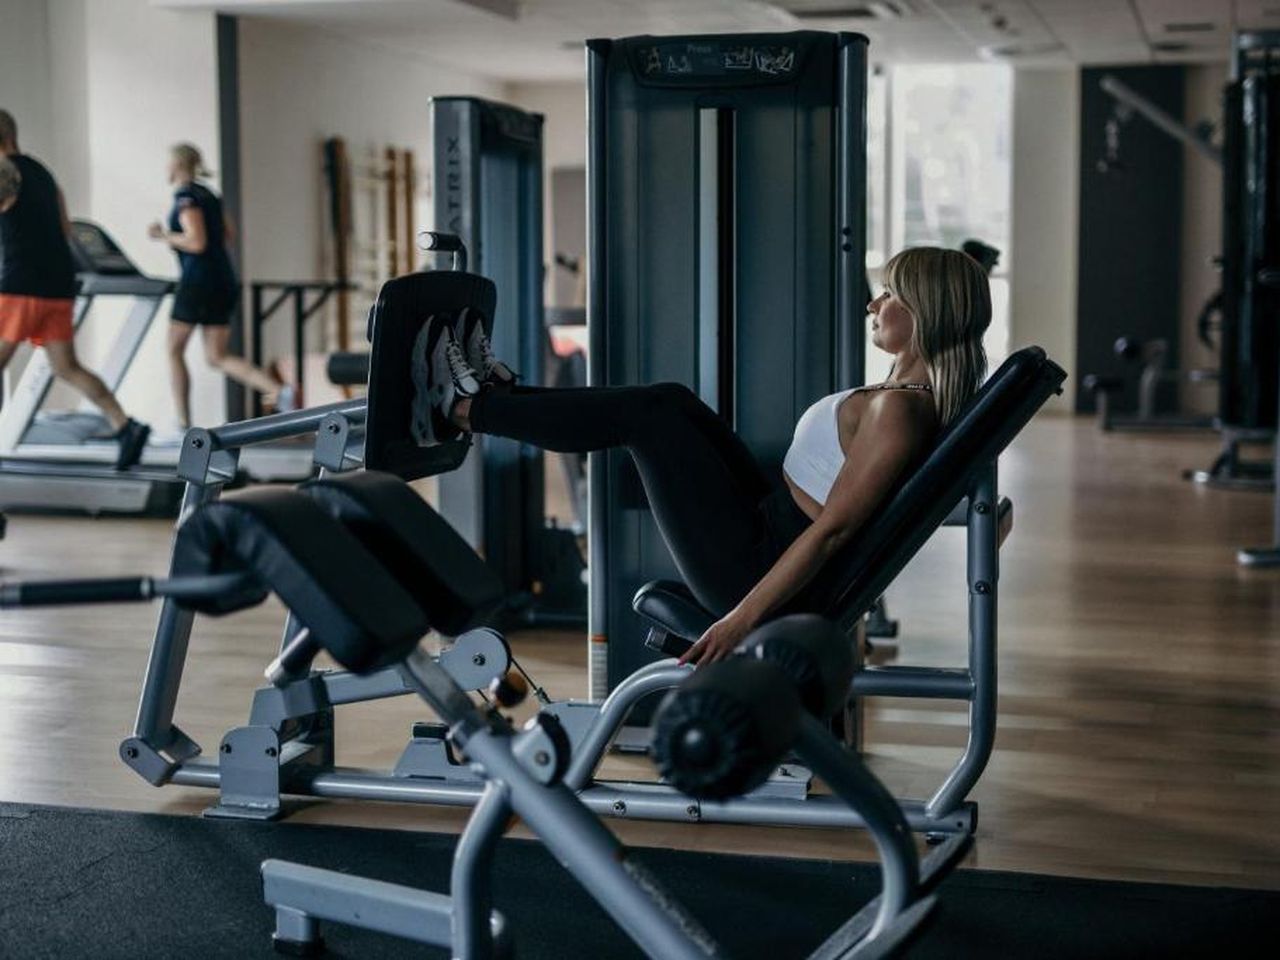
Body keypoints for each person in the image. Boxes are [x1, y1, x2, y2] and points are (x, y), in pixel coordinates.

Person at [416, 246, 991, 666]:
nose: (874, 302)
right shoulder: (903, 397)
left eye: (889, 293)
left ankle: (468, 409)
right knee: (671, 401)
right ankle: (493, 396)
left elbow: (834, 533)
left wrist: (737, 619)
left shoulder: (902, 411)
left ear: (924, 309)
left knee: (650, 417)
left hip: (755, 561)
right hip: (766, 518)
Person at [0, 109, 150, 470]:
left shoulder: (5, 171)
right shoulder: (45, 175)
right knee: (66, 366)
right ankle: (125, 426)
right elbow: (67, 230)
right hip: (59, 286)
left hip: (22, 286)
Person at [148, 142, 294, 430]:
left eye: (168, 163)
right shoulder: (209, 195)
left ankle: (182, 423)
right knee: (217, 356)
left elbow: (196, 241)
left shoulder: (186, 196)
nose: (165, 168)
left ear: (177, 165)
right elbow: (229, 234)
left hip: (198, 282)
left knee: (173, 350)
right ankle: (279, 391)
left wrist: (163, 235)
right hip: (223, 279)